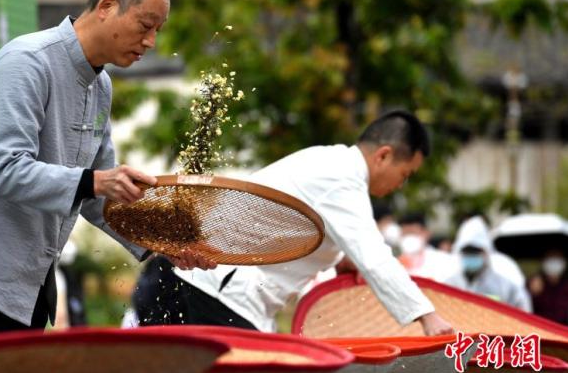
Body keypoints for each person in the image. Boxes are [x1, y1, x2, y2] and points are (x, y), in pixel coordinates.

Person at [0, 0, 213, 338]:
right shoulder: (27, 63)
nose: (151, 42)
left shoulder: (100, 86)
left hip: (27, 282)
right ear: (107, 6)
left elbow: (97, 198)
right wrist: (97, 181)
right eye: (145, 25)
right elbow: (7, 171)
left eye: (157, 30)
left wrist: (163, 244)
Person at [131, 111, 454, 335]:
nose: (401, 184)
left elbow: (293, 231)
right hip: (205, 291)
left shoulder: (331, 165)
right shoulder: (340, 177)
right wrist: (427, 317)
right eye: (405, 174)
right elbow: (375, 258)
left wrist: (341, 261)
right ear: (383, 156)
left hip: (204, 289)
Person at [446, 216, 531, 311]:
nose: (471, 256)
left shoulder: (504, 287)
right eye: (467, 251)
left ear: (486, 252)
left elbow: (523, 314)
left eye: (476, 251)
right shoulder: (449, 285)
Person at [396, 212, 456, 283]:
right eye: (405, 234)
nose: (409, 238)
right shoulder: (394, 264)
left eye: (413, 233)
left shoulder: (445, 261)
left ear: (426, 233)